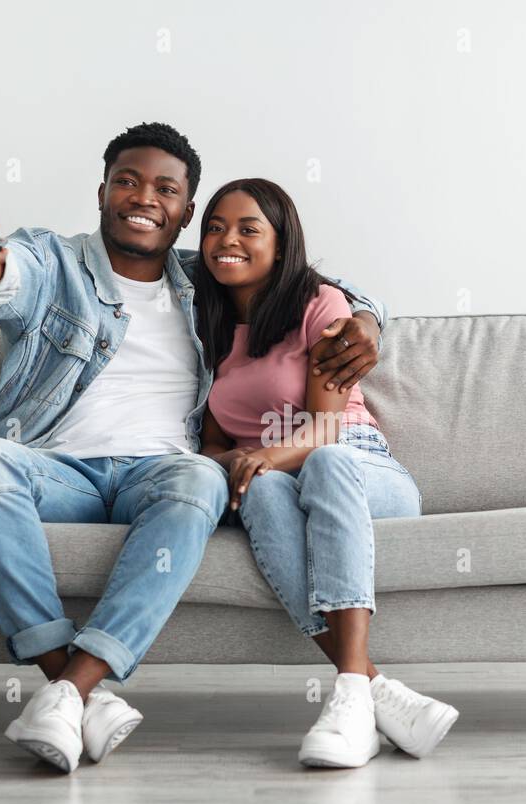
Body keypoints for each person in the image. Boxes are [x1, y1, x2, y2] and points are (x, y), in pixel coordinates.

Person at [0, 124, 387, 773]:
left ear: (184, 212)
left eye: (166, 189)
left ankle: (69, 695)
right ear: (101, 191)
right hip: (53, 468)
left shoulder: (201, 282)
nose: (143, 197)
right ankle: (74, 689)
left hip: (159, 473)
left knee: (204, 478)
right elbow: (4, 276)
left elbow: (303, 279)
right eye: (127, 180)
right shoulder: (53, 260)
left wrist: (368, 320)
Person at [195, 178, 459, 769]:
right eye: (214, 227)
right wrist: (235, 462)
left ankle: (349, 696)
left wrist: (260, 454)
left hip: (359, 468)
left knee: (325, 463)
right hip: (273, 479)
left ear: (282, 244)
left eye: (246, 229)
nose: (226, 240)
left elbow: (324, 429)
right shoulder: (202, 324)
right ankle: (365, 691)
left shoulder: (322, 305)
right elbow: (212, 441)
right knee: (257, 492)